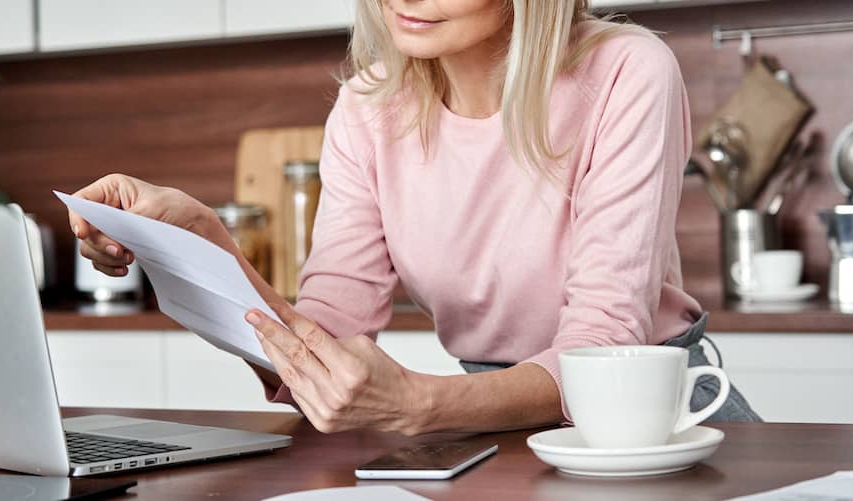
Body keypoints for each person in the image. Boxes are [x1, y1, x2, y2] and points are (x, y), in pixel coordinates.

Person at [69, 0, 761, 436]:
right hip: (493, 430)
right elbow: (327, 341)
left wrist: (422, 406)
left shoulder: (629, 72)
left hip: (654, 419)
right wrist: (199, 240)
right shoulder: (371, 108)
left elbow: (603, 348)